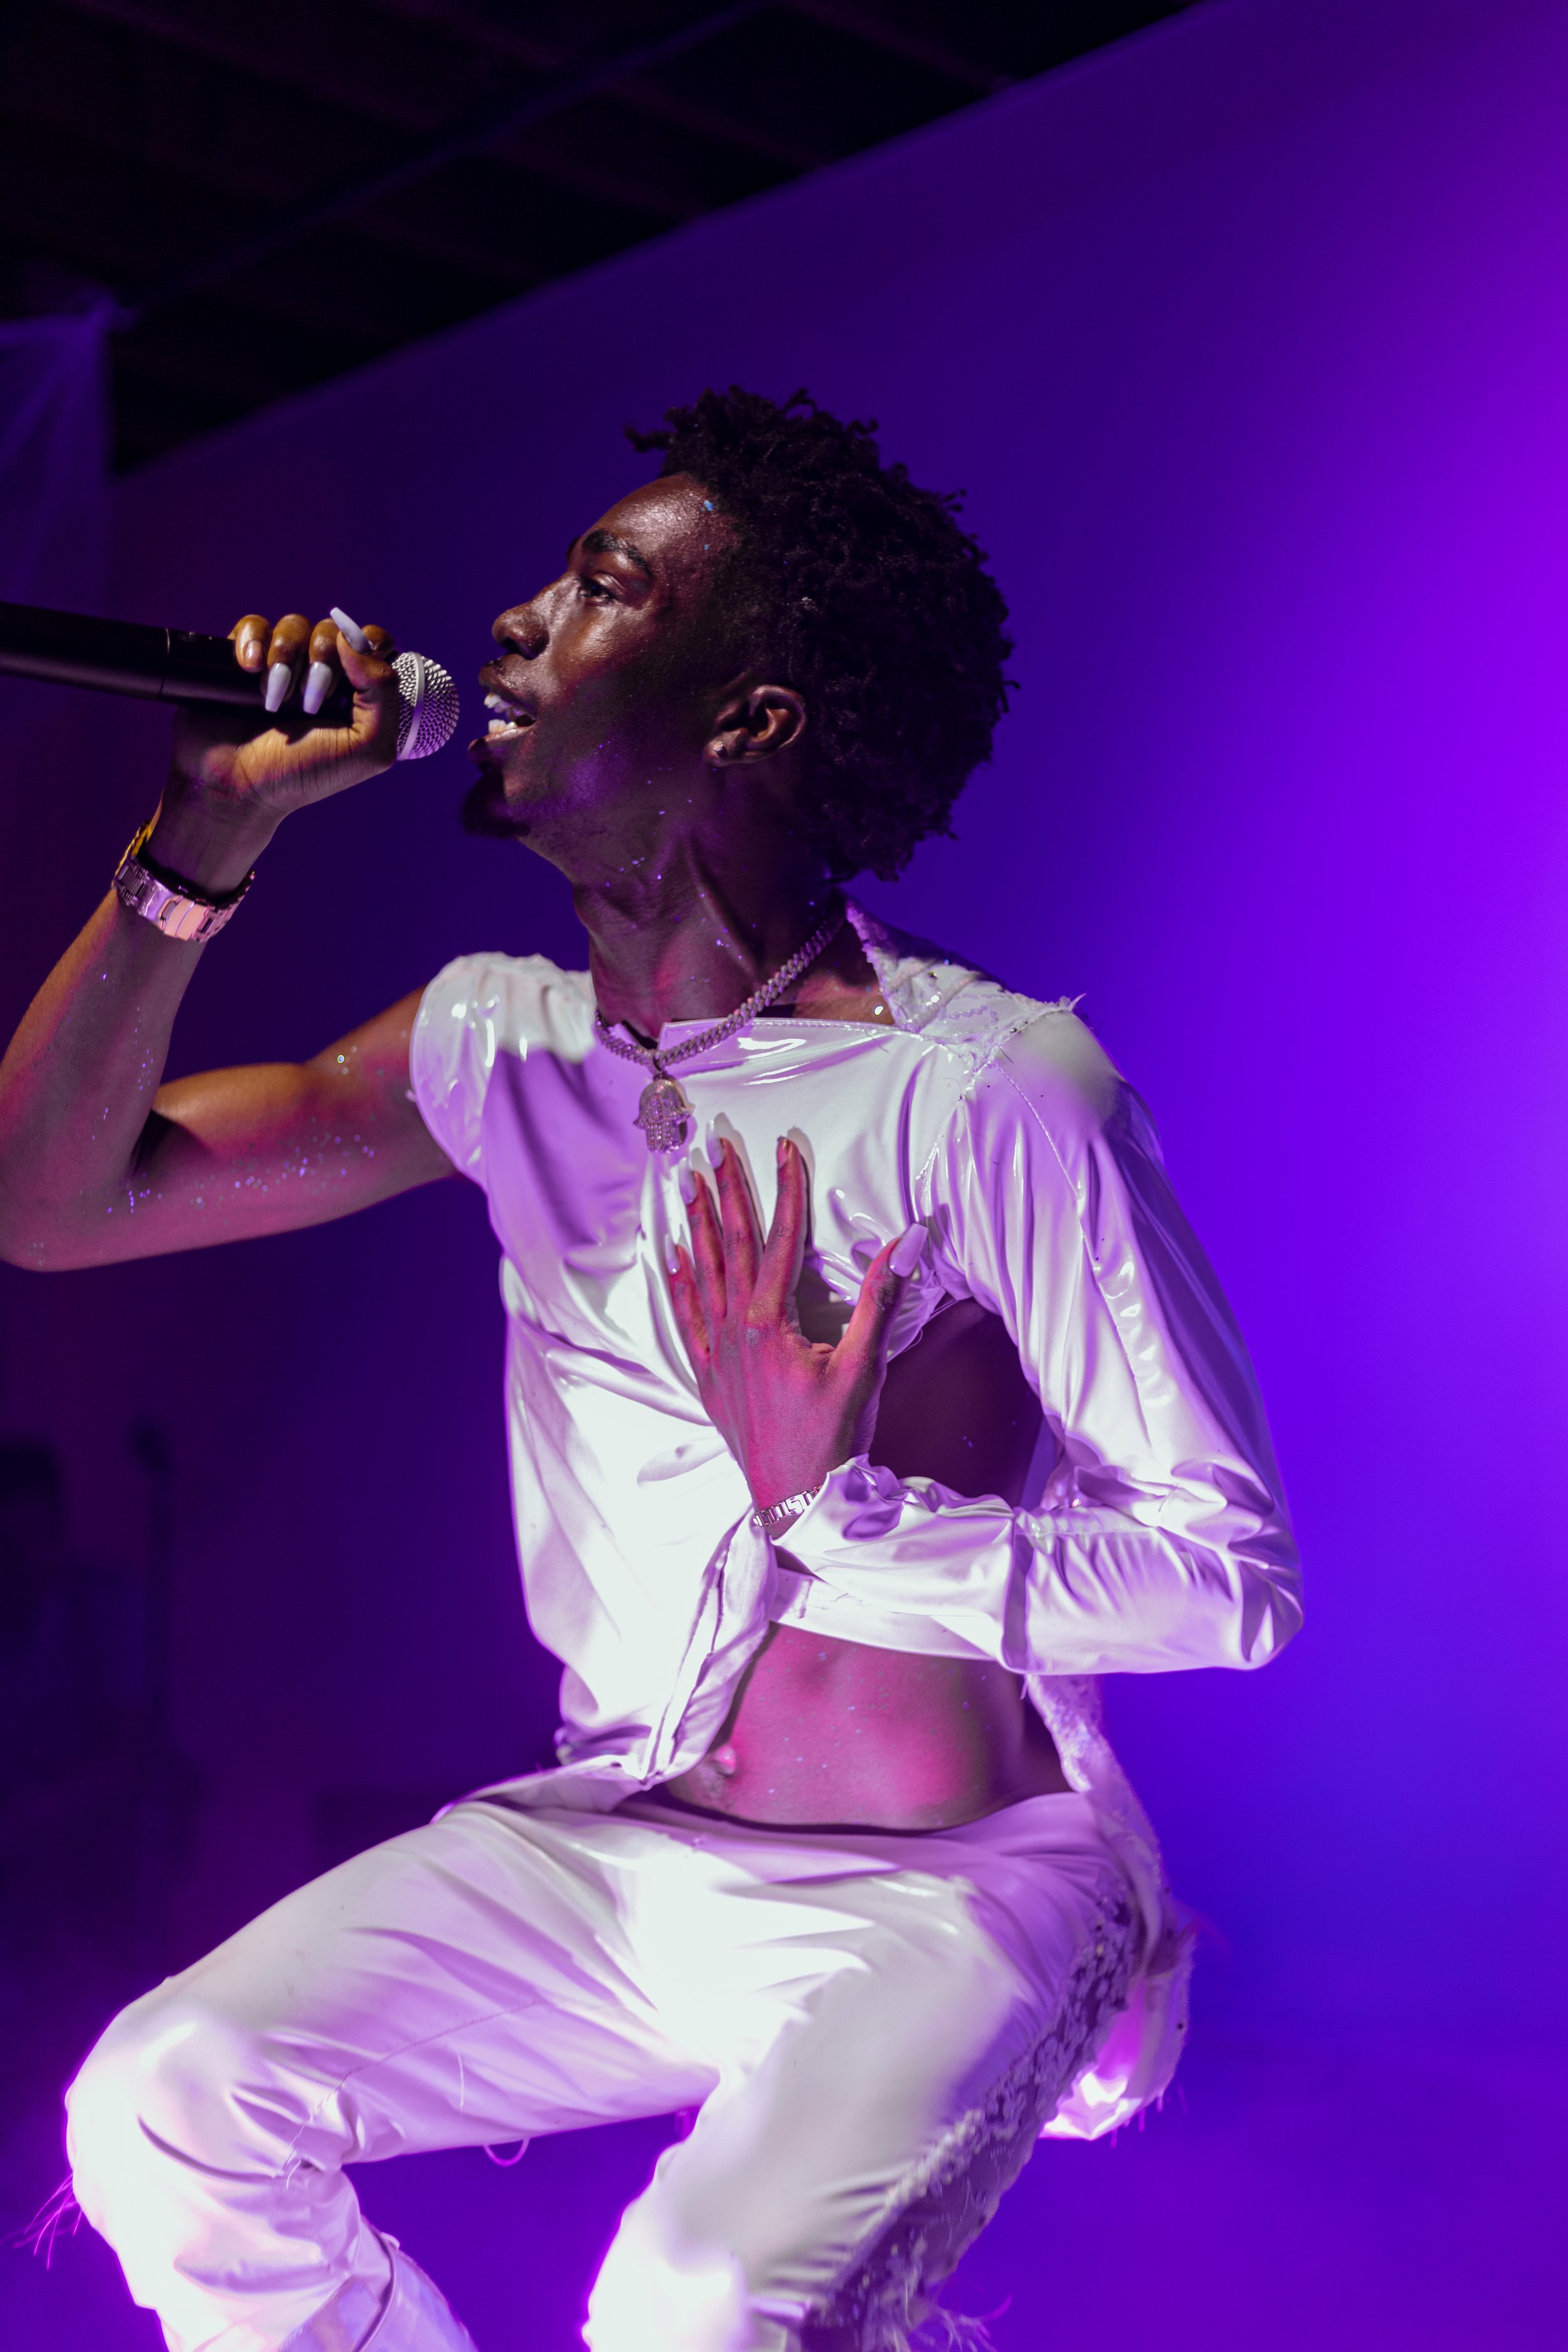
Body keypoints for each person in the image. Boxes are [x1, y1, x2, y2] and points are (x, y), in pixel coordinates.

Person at [0, 388, 1301, 2352]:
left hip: (942, 1901)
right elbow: (52, 1203)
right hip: (625, 1853)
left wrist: (831, 1518)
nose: (514, 623)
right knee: (168, 2101)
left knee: (694, 2304)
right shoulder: (491, 1045)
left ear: (746, 718)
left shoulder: (987, 1088)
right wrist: (203, 839)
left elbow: (1227, 1577)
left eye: (599, 587)